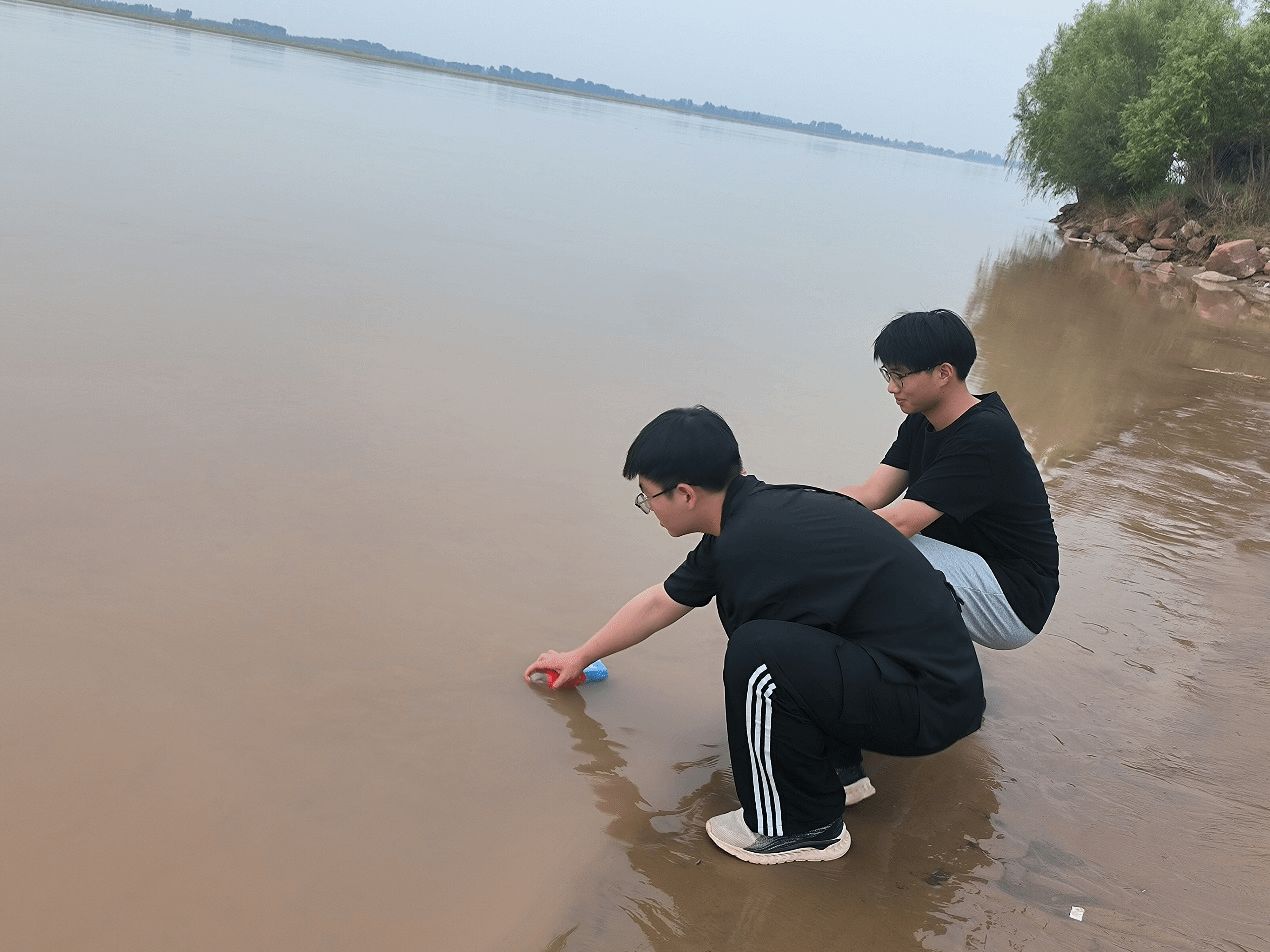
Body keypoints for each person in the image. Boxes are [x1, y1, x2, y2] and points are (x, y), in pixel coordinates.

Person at [525, 406, 985, 866]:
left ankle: (798, 826)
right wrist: (579, 656)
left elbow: (777, 667)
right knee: (783, 645)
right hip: (939, 689)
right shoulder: (756, 515)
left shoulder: (747, 543)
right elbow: (661, 601)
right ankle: (840, 776)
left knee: (758, 655)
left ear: (685, 494)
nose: (649, 510)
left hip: (927, 704)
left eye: (648, 497)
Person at [839, 308, 1059, 651]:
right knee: (863, 539)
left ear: (943, 373)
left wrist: (814, 537)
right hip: (968, 567)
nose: (891, 387)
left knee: (876, 547)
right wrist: (798, 506)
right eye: (888, 374)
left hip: (1014, 599)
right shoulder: (922, 419)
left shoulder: (984, 435)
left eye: (900, 376)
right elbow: (871, 492)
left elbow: (898, 523)